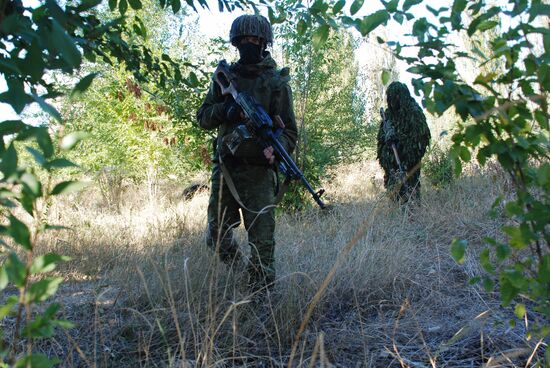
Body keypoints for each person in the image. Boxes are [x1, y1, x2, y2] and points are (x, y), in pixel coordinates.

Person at [196, 14, 297, 292]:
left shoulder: (276, 83)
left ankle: (263, 299)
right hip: (226, 169)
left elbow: (290, 132)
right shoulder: (224, 78)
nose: (249, 44)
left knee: (263, 245)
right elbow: (203, 117)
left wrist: (277, 150)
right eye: (243, 40)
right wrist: (226, 110)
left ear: (264, 43)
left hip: (259, 174)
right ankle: (242, 275)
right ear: (236, 42)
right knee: (216, 237)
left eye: (254, 40)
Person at [377, 81, 431, 203]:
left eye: (394, 96)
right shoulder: (388, 117)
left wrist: (400, 141)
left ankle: (414, 219)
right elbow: (380, 144)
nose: (391, 100)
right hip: (392, 170)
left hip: (409, 167)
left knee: (411, 198)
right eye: (389, 97)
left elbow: (421, 139)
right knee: (395, 201)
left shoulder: (414, 112)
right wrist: (387, 145)